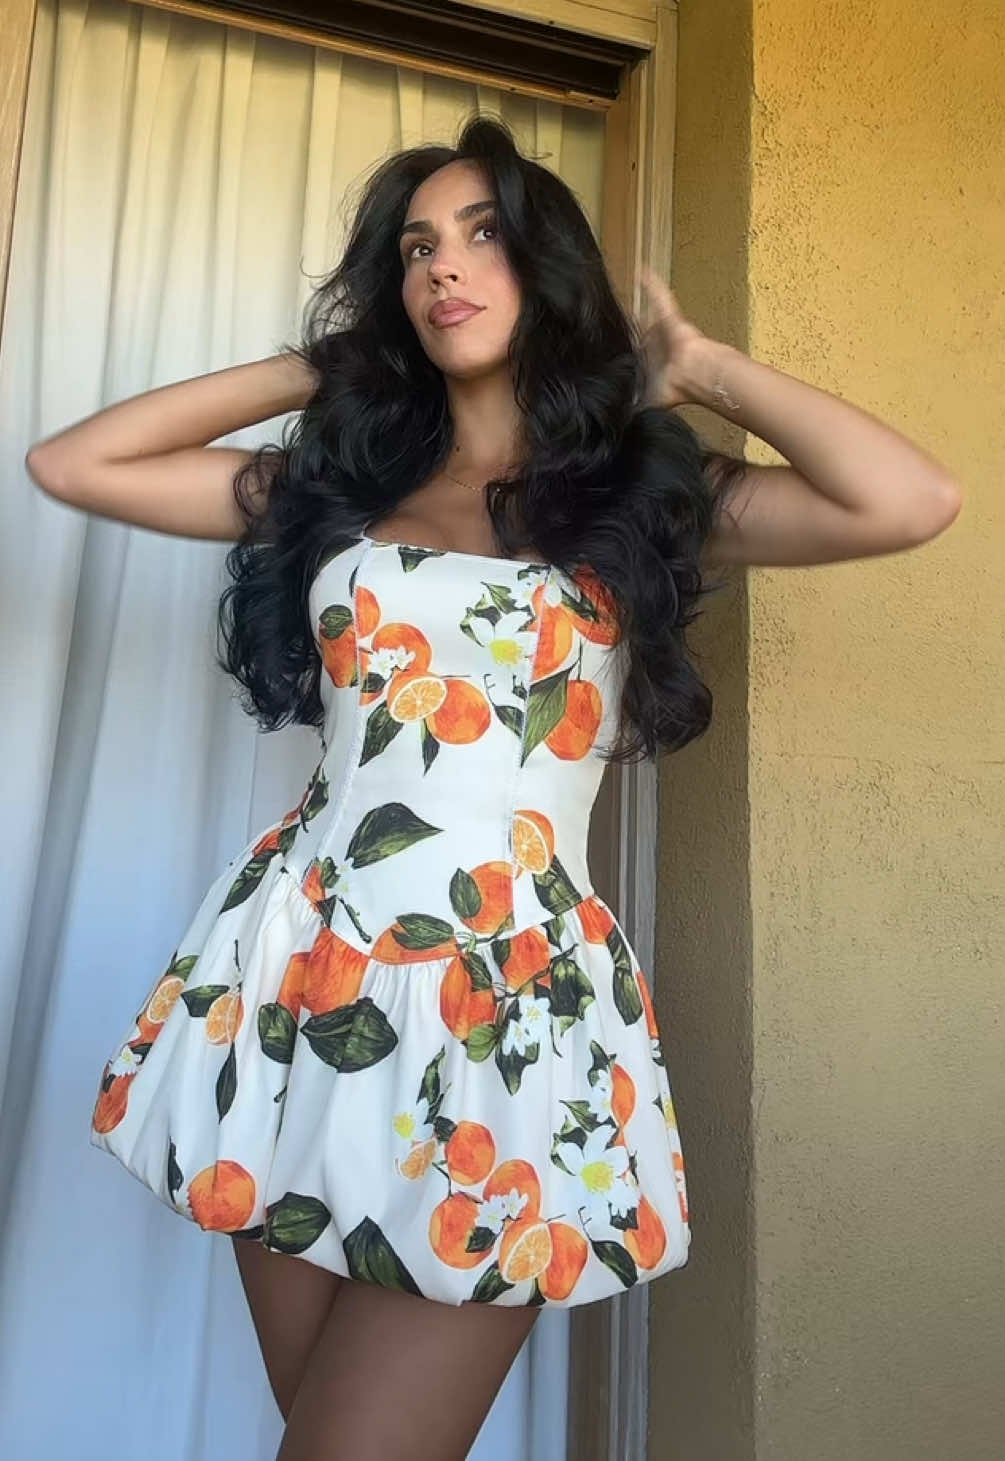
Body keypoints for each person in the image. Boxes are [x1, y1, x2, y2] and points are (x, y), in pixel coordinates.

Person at [25, 114, 961, 1460]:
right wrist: (331, 360)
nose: (443, 268)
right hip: (296, 984)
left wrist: (702, 369)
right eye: (415, 249)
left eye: (481, 236)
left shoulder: (637, 495)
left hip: (507, 1007)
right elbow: (72, 464)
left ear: (545, 270)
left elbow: (908, 499)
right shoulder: (340, 488)